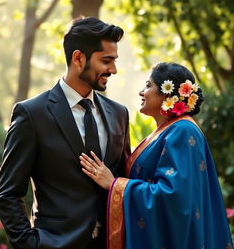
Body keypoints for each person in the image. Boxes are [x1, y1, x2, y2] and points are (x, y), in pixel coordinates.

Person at [0, 17, 131, 249]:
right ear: (78, 58)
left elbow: (124, 179)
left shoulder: (119, 113)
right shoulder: (31, 114)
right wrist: (32, 245)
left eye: (114, 60)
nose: (113, 69)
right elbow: (7, 194)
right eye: (106, 60)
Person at [79, 62, 233, 249]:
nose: (142, 92)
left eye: (148, 85)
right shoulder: (169, 131)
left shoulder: (182, 131)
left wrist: (114, 184)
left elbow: (174, 196)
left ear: (167, 93)